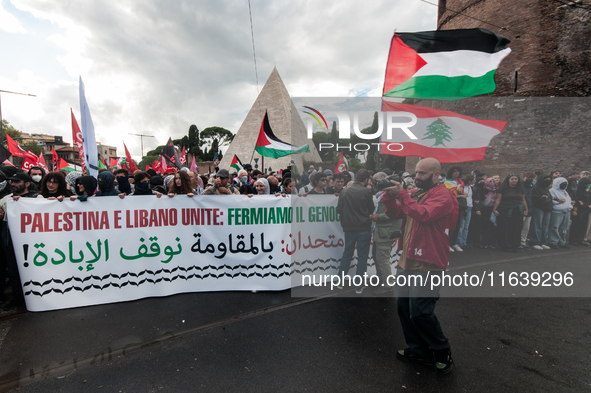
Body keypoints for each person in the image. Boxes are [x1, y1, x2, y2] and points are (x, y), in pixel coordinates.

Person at [382, 157, 457, 375]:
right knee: (404, 308)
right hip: (408, 259)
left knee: (421, 312)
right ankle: (419, 350)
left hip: (429, 262)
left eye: (422, 174)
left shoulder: (444, 195)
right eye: (416, 173)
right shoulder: (417, 194)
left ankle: (442, 351)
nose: (416, 177)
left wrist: (403, 194)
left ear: (436, 175)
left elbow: (423, 215)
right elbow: (395, 213)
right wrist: (389, 195)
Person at [0, 172, 44, 310]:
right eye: (12, 182)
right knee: (13, 272)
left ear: (26, 184)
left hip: (32, 242)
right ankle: (18, 298)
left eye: (17, 182)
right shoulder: (7, 199)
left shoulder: (37, 197)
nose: (13, 184)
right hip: (11, 242)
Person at [336, 169, 374, 294]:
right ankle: (359, 286)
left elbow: (339, 210)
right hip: (363, 228)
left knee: (347, 253)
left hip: (348, 228)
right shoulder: (367, 192)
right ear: (366, 179)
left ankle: (340, 282)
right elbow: (371, 209)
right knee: (362, 257)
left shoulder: (344, 191)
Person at [370, 172, 402, 294]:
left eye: (376, 182)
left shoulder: (394, 194)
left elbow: (396, 212)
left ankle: (387, 285)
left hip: (386, 231)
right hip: (380, 230)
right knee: (378, 257)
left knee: (382, 258)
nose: (374, 184)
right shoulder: (381, 195)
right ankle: (381, 279)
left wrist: (379, 217)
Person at [492, 174, 528, 252]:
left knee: (517, 228)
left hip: (517, 211)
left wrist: (526, 209)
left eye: (515, 179)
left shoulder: (520, 189)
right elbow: (498, 200)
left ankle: (515, 245)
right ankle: (506, 245)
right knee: (506, 228)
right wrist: (494, 209)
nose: (514, 180)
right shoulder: (503, 189)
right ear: (508, 180)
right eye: (512, 179)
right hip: (505, 211)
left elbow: (523, 200)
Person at [529, 174, 553, 250]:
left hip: (547, 208)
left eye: (549, 180)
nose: (548, 181)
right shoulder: (535, 188)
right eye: (546, 180)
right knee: (537, 225)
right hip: (538, 208)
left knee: (545, 226)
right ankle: (535, 241)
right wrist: (542, 198)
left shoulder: (547, 188)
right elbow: (534, 199)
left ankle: (542, 241)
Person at [547, 177, 572, 249]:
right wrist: (558, 202)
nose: (564, 185)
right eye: (562, 183)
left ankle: (562, 241)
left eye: (565, 183)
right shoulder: (552, 191)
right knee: (554, 227)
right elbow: (551, 200)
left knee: (564, 228)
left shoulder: (565, 192)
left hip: (566, 212)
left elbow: (567, 200)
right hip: (557, 212)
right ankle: (553, 242)